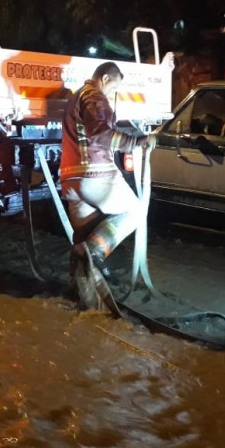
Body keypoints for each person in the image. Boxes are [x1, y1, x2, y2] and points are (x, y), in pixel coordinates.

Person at [60, 61, 155, 304]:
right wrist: (137, 142)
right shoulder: (94, 96)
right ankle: (94, 252)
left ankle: (79, 295)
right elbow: (101, 134)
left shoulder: (74, 99)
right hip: (96, 174)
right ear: (103, 78)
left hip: (71, 181)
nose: (112, 95)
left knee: (83, 236)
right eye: (113, 88)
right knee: (135, 211)